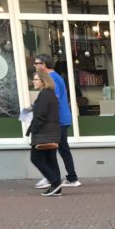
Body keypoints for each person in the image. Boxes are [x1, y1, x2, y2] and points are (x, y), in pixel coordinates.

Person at [33, 54, 79, 188]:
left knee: (52, 149)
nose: (35, 66)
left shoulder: (51, 78)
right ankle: (69, 177)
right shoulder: (56, 76)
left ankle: (54, 178)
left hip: (58, 120)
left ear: (44, 65)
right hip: (61, 118)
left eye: (36, 63)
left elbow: (54, 99)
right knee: (61, 149)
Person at [27, 71, 63, 196]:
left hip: (44, 133)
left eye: (36, 79)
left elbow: (41, 115)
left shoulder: (44, 95)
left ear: (43, 81)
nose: (33, 81)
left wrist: (34, 129)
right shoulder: (50, 94)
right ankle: (56, 188)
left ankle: (55, 182)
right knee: (50, 159)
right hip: (51, 132)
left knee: (36, 158)